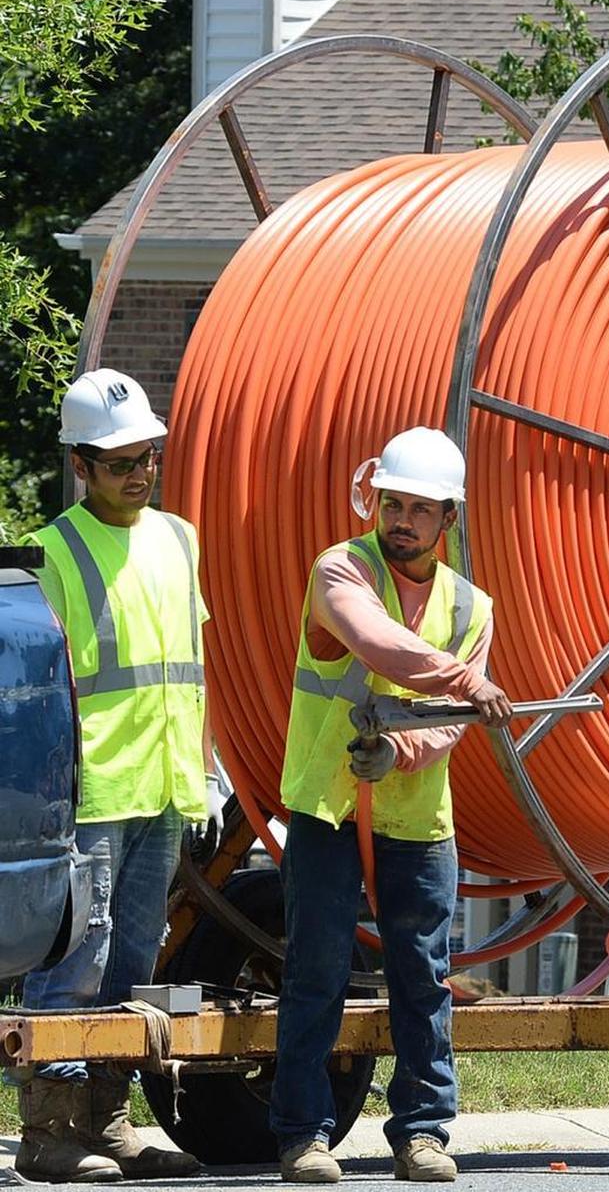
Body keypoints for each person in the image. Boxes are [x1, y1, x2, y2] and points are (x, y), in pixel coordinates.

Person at [270, 426, 512, 1184]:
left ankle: (423, 1133)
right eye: (392, 502)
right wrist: (464, 679)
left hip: (417, 819)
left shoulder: (472, 606)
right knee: (316, 971)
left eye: (418, 508)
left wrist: (401, 750)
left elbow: (446, 727)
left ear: (450, 519)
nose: (400, 518)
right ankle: (303, 1135)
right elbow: (375, 643)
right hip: (328, 806)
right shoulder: (340, 569)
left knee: (422, 976)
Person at [13, 369, 223, 1183]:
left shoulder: (179, 538)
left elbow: (191, 664)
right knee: (72, 963)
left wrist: (202, 770)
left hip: (165, 788)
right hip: (95, 794)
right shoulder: (56, 549)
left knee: (133, 967)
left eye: (147, 456)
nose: (139, 472)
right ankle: (51, 1133)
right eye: (119, 460)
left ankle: (107, 1121)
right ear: (79, 464)